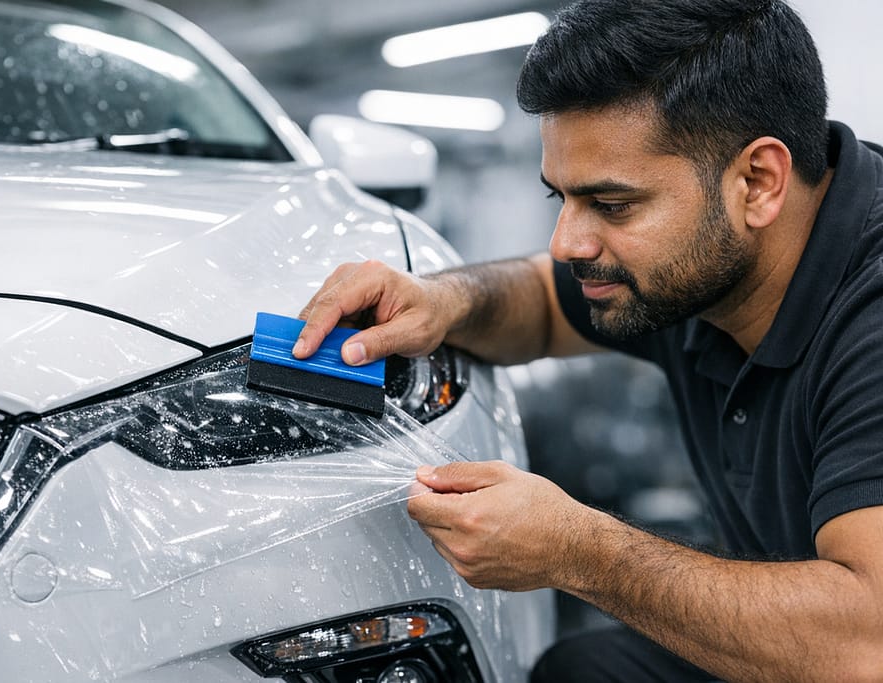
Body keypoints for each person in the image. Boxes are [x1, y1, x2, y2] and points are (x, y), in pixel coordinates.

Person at [293, 0, 883, 680]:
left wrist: (578, 550)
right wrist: (442, 300)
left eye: (611, 205)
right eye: (560, 199)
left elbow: (863, 646)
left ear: (757, 182)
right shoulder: (710, 259)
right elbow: (546, 301)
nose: (567, 242)